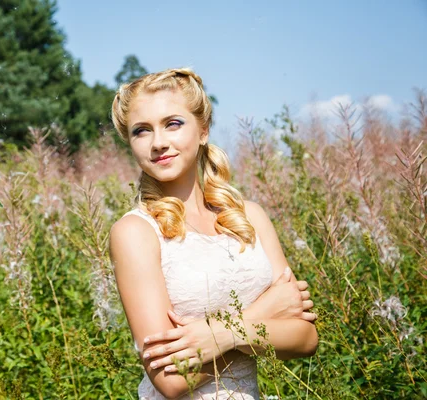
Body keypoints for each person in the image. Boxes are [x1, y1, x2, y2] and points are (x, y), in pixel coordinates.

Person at [109, 68, 318, 400]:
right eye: (141, 131)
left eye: (172, 123)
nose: (158, 142)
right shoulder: (135, 232)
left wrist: (222, 336)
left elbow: (306, 339)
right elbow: (172, 380)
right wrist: (257, 320)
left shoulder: (250, 218)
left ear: (203, 130)